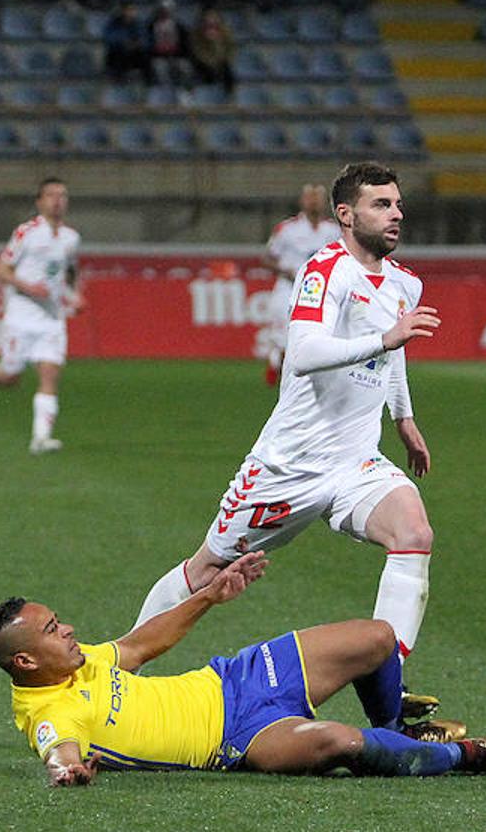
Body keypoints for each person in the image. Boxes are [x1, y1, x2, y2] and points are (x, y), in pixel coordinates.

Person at [132, 162, 445, 717]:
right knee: (208, 570)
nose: (396, 214)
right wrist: (385, 336)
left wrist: (404, 417)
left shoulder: (405, 282)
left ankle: (386, 690)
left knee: (413, 532)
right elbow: (301, 353)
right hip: (288, 467)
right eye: (381, 205)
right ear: (345, 215)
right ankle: (121, 668)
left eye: (397, 204)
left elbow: (392, 353)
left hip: (355, 463)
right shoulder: (326, 270)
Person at [0, 551, 486, 785]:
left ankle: (397, 732)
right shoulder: (48, 711)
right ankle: (467, 756)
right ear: (24, 661)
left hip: (235, 679)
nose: (68, 629)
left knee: (378, 638)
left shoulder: (78, 667)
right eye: (54, 630)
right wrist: (66, 772)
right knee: (342, 741)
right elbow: (59, 750)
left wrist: (211, 596)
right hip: (240, 739)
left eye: (58, 620)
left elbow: (141, 646)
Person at [0, 178, 83, 455]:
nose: (57, 200)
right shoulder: (25, 233)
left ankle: (40, 439)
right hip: (21, 317)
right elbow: (0, 270)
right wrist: (30, 287)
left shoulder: (71, 238)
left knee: (50, 375)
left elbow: (71, 270)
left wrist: (76, 295)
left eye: (62, 195)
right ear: (39, 202)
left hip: (52, 320)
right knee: (10, 377)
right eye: (51, 195)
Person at [261, 183, 342, 386]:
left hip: (318, 291)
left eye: (318, 197)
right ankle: (276, 367)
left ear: (325, 202)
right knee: (282, 334)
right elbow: (268, 258)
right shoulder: (287, 229)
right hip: (288, 287)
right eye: (310, 197)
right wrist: (285, 271)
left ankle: (307, 373)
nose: (314, 201)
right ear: (302, 201)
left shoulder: (334, 231)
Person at [189, 8, 236, 95]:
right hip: (204, 62)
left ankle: (229, 95)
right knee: (197, 70)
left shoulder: (225, 32)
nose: (211, 21)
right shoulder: (196, 33)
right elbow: (198, 51)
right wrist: (210, 62)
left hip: (220, 60)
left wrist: (223, 57)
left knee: (228, 71)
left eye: (213, 18)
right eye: (208, 19)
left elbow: (231, 49)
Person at [102, 3, 151, 82]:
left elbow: (145, 39)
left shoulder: (139, 24)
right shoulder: (114, 23)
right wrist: (123, 42)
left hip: (135, 52)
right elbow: (108, 37)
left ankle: (146, 81)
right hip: (119, 51)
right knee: (115, 53)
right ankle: (118, 78)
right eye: (127, 10)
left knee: (145, 55)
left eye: (132, 10)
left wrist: (137, 44)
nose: (130, 12)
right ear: (122, 11)